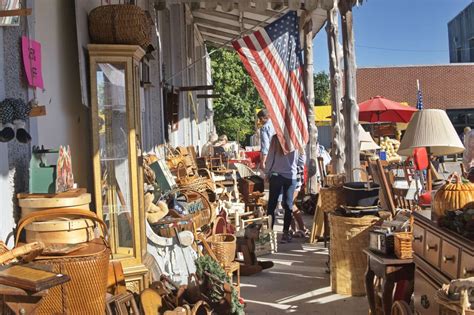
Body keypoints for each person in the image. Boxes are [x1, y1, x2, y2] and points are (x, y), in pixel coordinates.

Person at [264, 135, 305, 243]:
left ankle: (269, 233)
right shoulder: (296, 138)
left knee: (272, 205)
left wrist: (267, 172)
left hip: (276, 175)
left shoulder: (276, 138)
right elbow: (301, 160)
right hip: (290, 175)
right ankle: (285, 233)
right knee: (288, 205)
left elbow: (270, 157)